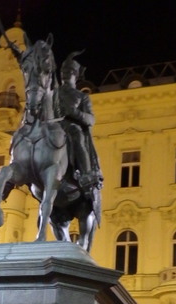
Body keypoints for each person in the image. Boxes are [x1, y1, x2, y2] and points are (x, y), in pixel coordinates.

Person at [57, 51, 103, 196]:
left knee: (76, 133)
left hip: (71, 127)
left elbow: (91, 119)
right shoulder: (53, 94)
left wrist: (74, 112)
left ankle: (86, 174)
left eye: (69, 71)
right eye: (63, 71)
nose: (65, 74)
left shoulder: (82, 96)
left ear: (76, 75)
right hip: (53, 127)